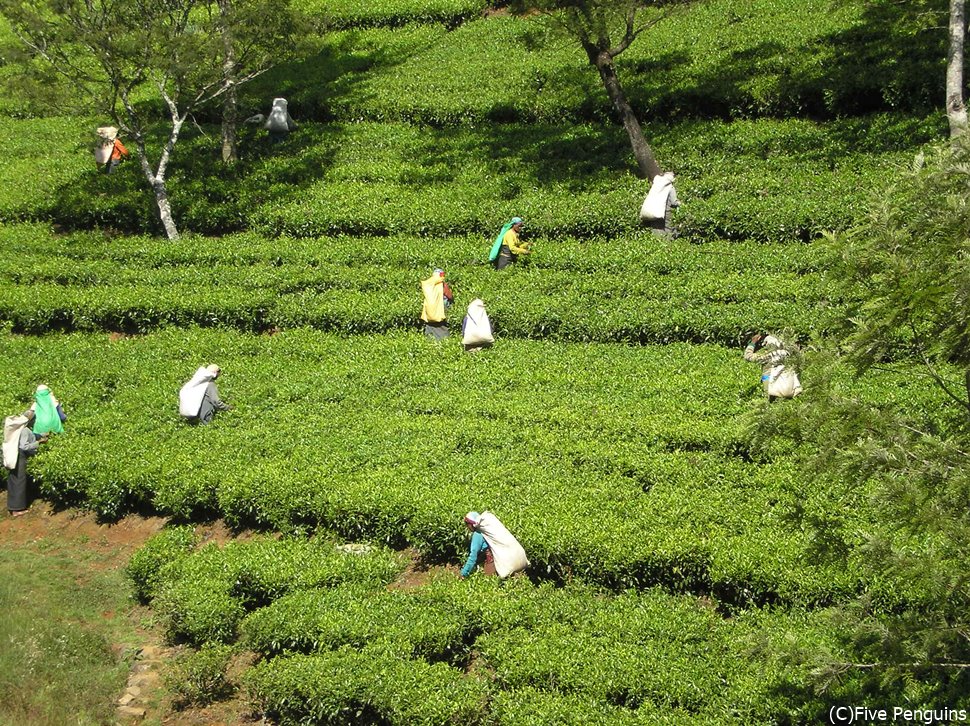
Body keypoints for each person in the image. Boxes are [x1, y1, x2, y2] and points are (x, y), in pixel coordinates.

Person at [459, 511, 529, 580]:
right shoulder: (488, 529)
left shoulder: (478, 534)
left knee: (489, 583)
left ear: (471, 524)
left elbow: (473, 556)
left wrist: (463, 574)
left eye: (467, 524)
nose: (467, 527)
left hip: (493, 562)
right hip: (503, 559)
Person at [3, 410, 47, 516]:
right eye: (34, 420)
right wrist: (39, 443)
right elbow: (24, 446)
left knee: (14, 480)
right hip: (20, 457)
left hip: (14, 456)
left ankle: (12, 507)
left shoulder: (22, 429)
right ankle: (17, 509)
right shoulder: (25, 431)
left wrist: (42, 435)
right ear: (31, 421)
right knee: (19, 481)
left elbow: (32, 435)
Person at [743, 333, 803, 402]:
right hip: (791, 390)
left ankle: (770, 400)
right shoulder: (789, 355)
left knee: (766, 377)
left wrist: (753, 342)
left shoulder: (768, 356)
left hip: (773, 390)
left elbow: (748, 356)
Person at [639, 171, 680, 237]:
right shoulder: (671, 188)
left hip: (655, 211)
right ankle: (669, 245)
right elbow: (674, 202)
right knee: (668, 230)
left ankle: (656, 243)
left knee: (656, 230)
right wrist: (682, 204)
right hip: (666, 213)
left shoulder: (656, 186)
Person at [421, 268, 450, 340]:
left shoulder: (428, 284)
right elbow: (449, 295)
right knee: (442, 328)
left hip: (429, 312)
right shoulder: (443, 285)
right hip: (440, 312)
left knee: (430, 329)